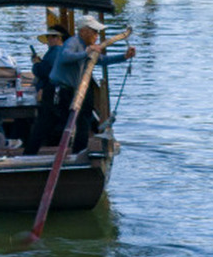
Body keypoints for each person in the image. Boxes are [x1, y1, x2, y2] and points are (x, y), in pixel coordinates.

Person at [46, 13, 136, 152]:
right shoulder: (73, 42)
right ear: (83, 31)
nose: (97, 35)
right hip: (60, 90)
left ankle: (79, 151)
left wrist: (124, 56)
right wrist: (86, 52)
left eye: (97, 32)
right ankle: (59, 153)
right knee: (61, 124)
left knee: (84, 122)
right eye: (94, 31)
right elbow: (65, 57)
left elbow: (102, 60)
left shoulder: (88, 46)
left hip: (75, 89)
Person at [24, 23, 66, 154]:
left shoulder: (56, 52)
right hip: (54, 91)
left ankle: (30, 152)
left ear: (59, 38)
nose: (50, 40)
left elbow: (45, 72)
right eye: (49, 37)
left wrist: (36, 64)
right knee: (50, 121)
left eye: (53, 37)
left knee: (44, 123)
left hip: (52, 91)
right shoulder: (57, 52)